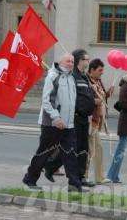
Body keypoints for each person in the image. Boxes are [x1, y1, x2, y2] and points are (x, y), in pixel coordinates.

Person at [22, 53, 84, 192]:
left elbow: (72, 100)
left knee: (71, 153)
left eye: (72, 62)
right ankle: (30, 179)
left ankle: (74, 183)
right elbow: (47, 100)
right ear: (60, 62)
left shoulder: (71, 78)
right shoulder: (53, 76)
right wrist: (56, 118)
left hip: (68, 124)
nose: (70, 64)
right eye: (68, 61)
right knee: (44, 152)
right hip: (52, 124)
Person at [44, 49, 96, 187]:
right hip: (75, 117)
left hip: (84, 118)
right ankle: (52, 167)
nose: (88, 62)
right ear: (80, 60)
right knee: (72, 149)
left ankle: (80, 177)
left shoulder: (84, 77)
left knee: (83, 148)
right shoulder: (72, 76)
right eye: (86, 59)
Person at [86, 58, 114, 184]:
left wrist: (108, 94)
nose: (102, 73)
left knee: (95, 149)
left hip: (97, 121)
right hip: (91, 120)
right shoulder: (87, 81)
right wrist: (93, 101)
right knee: (92, 149)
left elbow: (102, 98)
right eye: (100, 70)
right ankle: (85, 176)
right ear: (92, 70)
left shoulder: (98, 81)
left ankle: (97, 177)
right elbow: (86, 99)